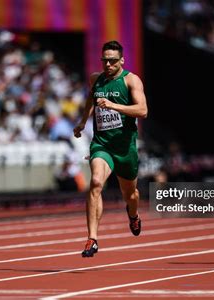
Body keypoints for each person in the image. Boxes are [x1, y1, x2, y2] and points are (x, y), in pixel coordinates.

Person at [73, 40, 148, 257]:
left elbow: (143, 110)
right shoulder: (96, 80)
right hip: (102, 144)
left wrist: (114, 105)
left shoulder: (131, 80)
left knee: (131, 195)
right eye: (105, 60)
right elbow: (91, 99)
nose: (108, 64)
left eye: (112, 61)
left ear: (121, 60)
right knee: (96, 182)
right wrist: (82, 121)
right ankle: (92, 239)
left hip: (125, 148)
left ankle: (133, 215)